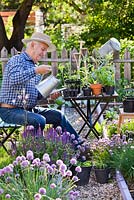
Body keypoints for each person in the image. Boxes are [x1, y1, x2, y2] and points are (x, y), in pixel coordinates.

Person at [0, 32, 84, 146]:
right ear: (33, 45)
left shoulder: (36, 67)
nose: (44, 54)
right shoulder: (17, 60)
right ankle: (36, 156)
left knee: (58, 115)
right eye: (43, 49)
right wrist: (36, 71)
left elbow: (35, 95)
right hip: (9, 111)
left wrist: (50, 96)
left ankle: (78, 148)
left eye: (46, 51)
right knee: (39, 120)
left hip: (28, 110)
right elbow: (14, 78)